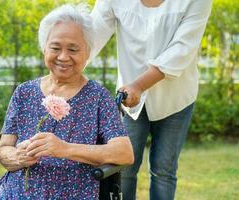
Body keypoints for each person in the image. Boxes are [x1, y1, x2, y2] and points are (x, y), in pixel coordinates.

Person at [0, 4, 134, 200]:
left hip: (70, 194)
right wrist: (18, 157)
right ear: (44, 48)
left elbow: (124, 153)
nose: (63, 57)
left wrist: (64, 149)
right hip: (14, 192)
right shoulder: (24, 92)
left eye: (73, 49)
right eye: (55, 47)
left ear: (87, 52)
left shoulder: (98, 97)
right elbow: (4, 147)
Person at [91, 0, 213, 199]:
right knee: (124, 168)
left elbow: (182, 49)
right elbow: (90, 37)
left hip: (175, 98)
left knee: (163, 170)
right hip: (130, 101)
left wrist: (139, 85)